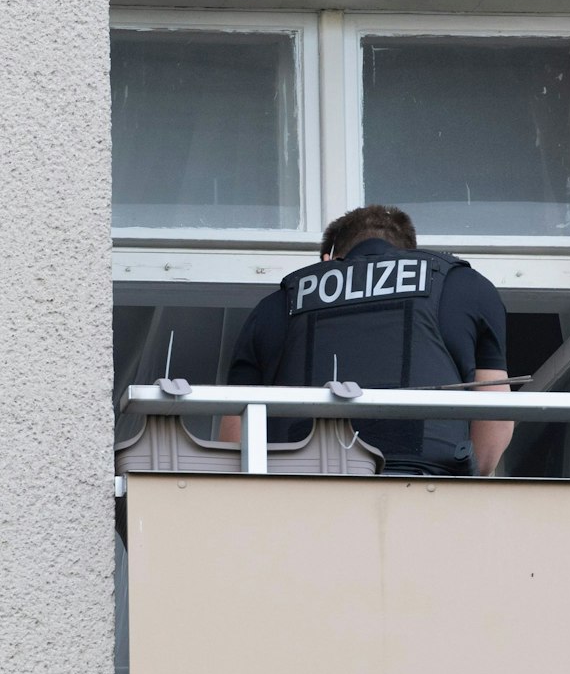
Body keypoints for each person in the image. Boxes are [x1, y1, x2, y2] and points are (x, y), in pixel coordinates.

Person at [219, 204, 513, 476]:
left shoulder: (276, 305)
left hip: (302, 488)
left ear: (329, 260)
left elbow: (236, 439)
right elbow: (494, 417)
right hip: (427, 485)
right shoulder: (463, 286)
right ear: (408, 253)